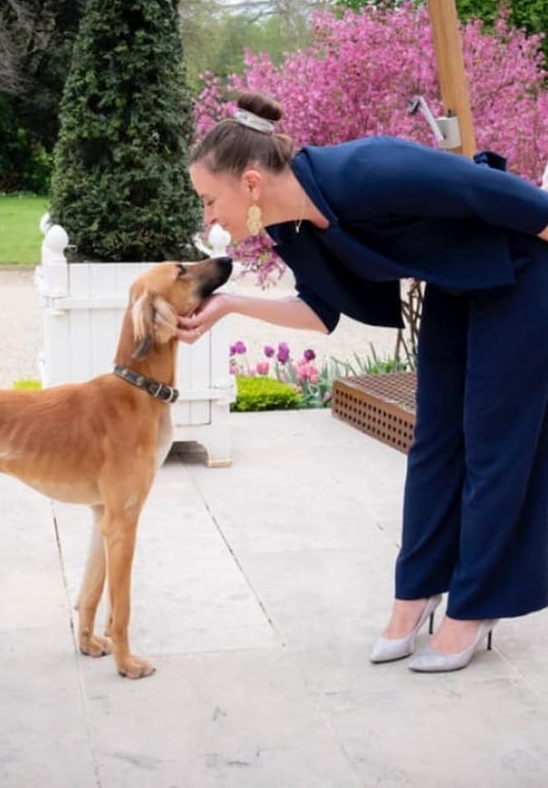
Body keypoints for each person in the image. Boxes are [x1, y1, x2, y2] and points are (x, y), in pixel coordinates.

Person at [180, 91, 548, 673]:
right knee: (434, 444)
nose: (207, 218)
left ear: (250, 184)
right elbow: (321, 312)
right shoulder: (297, 226)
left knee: (493, 446)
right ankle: (416, 592)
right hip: (459, 284)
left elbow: (503, 197)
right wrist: (227, 305)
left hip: (526, 273)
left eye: (208, 200)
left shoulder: (366, 170)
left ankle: (475, 606)